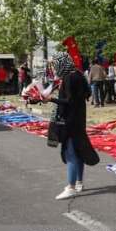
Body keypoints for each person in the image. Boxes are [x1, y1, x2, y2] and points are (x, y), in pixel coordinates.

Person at [42, 52, 99, 200]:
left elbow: (68, 101)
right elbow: (84, 95)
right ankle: (79, 182)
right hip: (79, 120)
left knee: (71, 154)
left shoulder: (68, 78)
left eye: (55, 64)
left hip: (70, 122)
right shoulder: (78, 75)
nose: (54, 68)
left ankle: (71, 187)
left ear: (62, 64)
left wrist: (52, 99)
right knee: (79, 152)